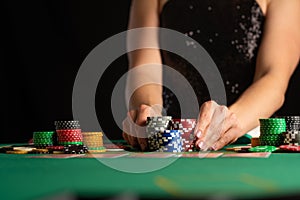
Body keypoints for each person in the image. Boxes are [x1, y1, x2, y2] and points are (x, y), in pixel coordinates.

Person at [122, 0, 300, 151]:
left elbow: (273, 78)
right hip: (173, 145)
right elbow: (144, 68)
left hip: (249, 142)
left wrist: (231, 119)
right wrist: (149, 111)